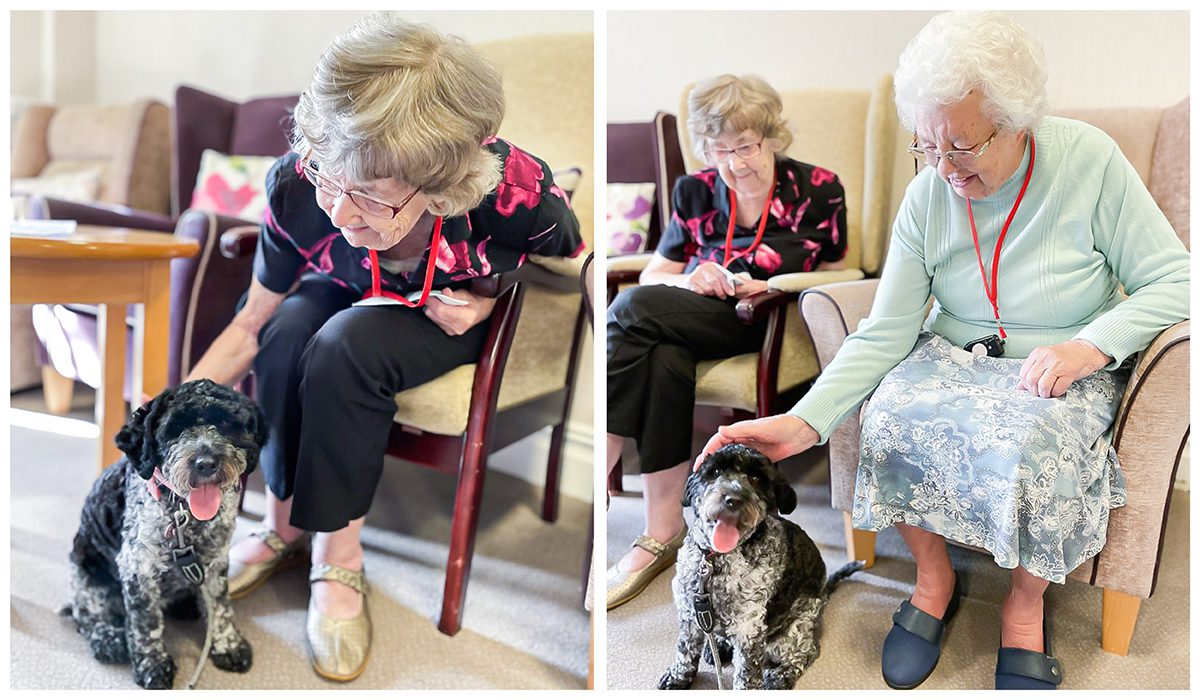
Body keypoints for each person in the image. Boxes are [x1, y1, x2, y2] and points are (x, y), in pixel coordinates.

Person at [697, 11, 1189, 691]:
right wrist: (803, 422)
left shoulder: (1089, 161)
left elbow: (1179, 278)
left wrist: (1090, 348)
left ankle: (1024, 603)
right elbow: (888, 329)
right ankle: (933, 580)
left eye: (961, 145)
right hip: (954, 354)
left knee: (1036, 446)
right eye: (927, 146)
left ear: (1018, 123)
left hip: (1063, 362)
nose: (943, 169)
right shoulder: (929, 190)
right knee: (891, 416)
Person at [184, 14, 581, 682]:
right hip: (347, 288)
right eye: (328, 177)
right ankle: (284, 526)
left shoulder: (517, 194)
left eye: (367, 194)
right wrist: (172, 423)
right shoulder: (296, 186)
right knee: (286, 333)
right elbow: (251, 322)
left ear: (442, 185)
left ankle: (338, 560)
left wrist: (489, 298)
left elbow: (569, 264)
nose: (338, 211)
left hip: (448, 312)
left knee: (345, 345)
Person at [605, 74, 848, 609]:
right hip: (688, 315)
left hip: (764, 318)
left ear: (772, 137)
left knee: (626, 310)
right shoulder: (692, 190)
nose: (735, 164)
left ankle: (604, 456)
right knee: (661, 352)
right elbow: (655, 273)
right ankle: (662, 530)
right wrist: (692, 277)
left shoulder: (819, 187)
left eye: (745, 147)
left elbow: (842, 269)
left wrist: (777, 283)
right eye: (719, 151)